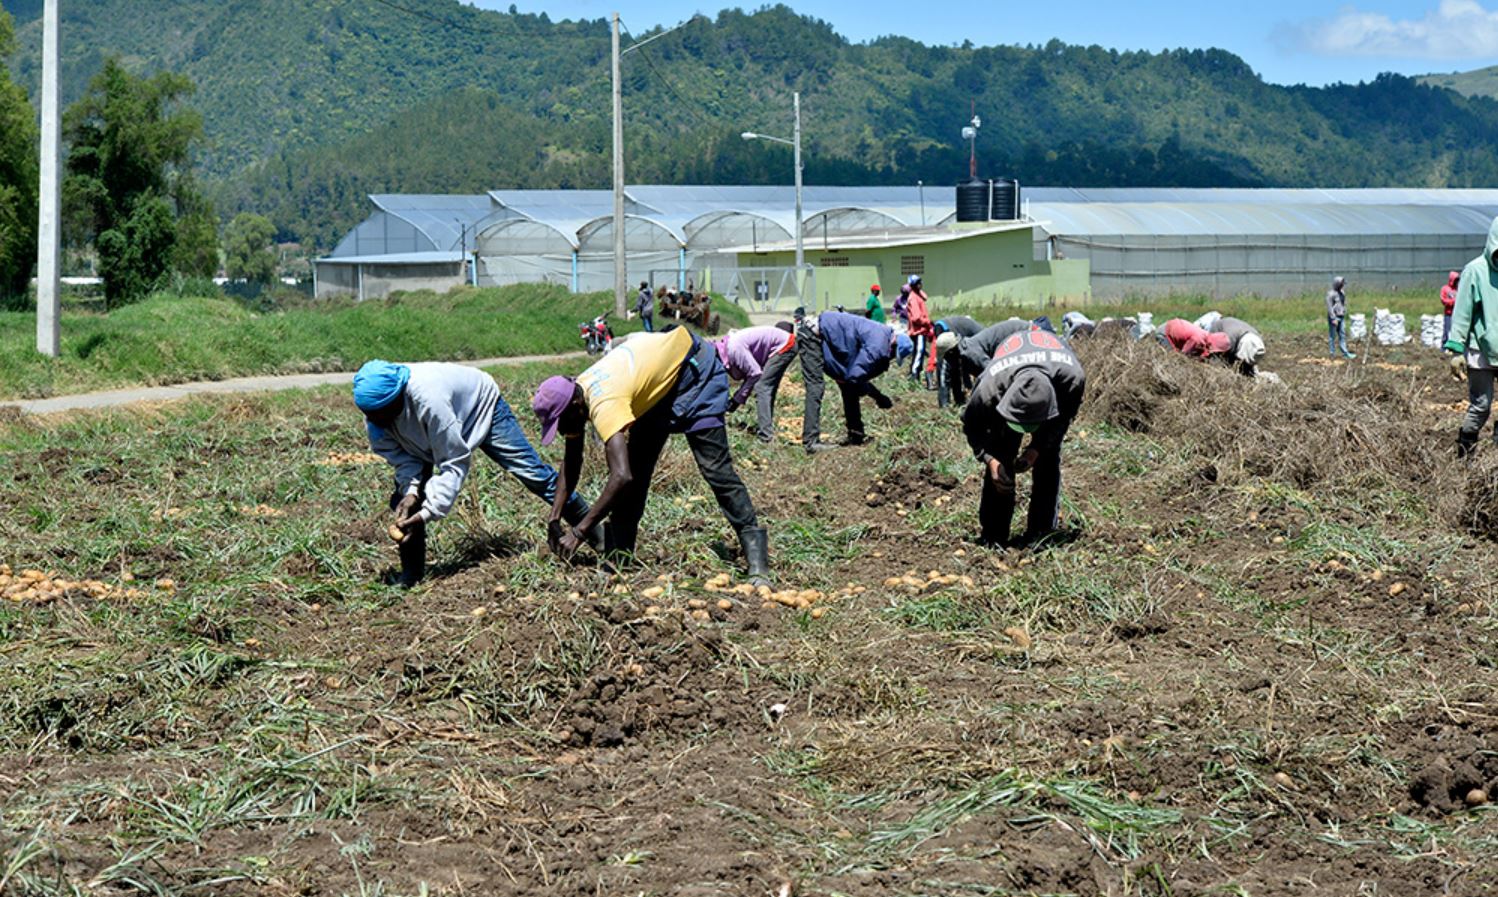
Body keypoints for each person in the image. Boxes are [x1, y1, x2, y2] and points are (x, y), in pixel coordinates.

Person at [531, 327, 768, 579]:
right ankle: (618, 559)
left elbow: (621, 476)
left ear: (575, 406)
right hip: (657, 390)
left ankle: (756, 560)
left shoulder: (604, 404)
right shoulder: (576, 396)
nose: (562, 431)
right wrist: (554, 518)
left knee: (715, 470)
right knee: (637, 473)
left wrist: (579, 532)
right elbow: (572, 462)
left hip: (696, 373)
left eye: (560, 424)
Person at [354, 360, 592, 588]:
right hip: (429, 430)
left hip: (482, 407)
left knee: (532, 474)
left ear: (397, 400)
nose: (375, 422)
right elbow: (404, 460)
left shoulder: (429, 400)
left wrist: (428, 512)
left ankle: (597, 536)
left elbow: (454, 461)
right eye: (371, 416)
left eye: (381, 415)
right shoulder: (377, 417)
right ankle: (411, 573)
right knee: (404, 502)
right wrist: (412, 492)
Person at [962, 328, 1085, 547]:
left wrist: (1036, 449)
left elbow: (1062, 420)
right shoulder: (989, 387)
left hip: (1053, 386)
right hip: (1009, 379)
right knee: (1001, 457)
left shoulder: (1072, 379)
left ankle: (1041, 533)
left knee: (1048, 459)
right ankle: (994, 535)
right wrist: (989, 458)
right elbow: (971, 424)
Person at [798, 310, 896, 452]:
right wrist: (878, 396)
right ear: (893, 346)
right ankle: (811, 441)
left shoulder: (881, 335)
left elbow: (853, 374)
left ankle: (856, 434)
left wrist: (874, 394)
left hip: (829, 337)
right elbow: (855, 375)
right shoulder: (878, 343)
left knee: (848, 385)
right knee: (816, 386)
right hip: (812, 335)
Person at [1444, 218, 1498, 458]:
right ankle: (1465, 458)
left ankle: (1494, 463)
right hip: (1481, 352)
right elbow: (1462, 313)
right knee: (1481, 406)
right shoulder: (1475, 270)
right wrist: (1457, 350)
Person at [712, 323, 796, 442]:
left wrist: (737, 399)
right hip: (785, 343)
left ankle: (766, 436)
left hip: (785, 345)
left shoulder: (734, 349)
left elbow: (755, 374)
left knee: (762, 387)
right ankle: (767, 428)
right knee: (767, 388)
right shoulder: (728, 347)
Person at [930, 315, 983, 408]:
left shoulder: (977, 338)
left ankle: (955, 400)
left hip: (944, 327)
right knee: (948, 366)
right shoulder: (979, 336)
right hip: (948, 331)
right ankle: (948, 403)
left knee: (953, 367)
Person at [905, 275, 935, 386]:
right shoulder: (913, 298)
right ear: (913, 285)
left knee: (920, 353)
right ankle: (914, 376)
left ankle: (915, 373)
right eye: (918, 283)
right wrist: (927, 322)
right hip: (918, 331)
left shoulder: (917, 295)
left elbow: (925, 297)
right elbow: (916, 317)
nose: (920, 284)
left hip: (921, 330)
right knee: (919, 352)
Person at [1160, 318, 1231, 360]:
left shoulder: (1206, 337)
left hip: (1171, 327)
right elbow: (1183, 356)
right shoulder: (1199, 339)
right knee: (1170, 360)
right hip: (1165, 333)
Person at [1327, 276, 1355, 359]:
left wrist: (1344, 311)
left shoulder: (1342, 293)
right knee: (1332, 336)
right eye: (1341, 284)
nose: (1342, 286)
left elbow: (1343, 303)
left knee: (1342, 335)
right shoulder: (1330, 294)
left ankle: (1345, 353)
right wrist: (1333, 318)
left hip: (1341, 317)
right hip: (1334, 318)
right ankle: (1332, 353)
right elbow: (1329, 307)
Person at [1442, 270, 1460, 346]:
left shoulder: (1459, 289)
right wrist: (1453, 301)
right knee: (1447, 331)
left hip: (1457, 314)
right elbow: (1443, 300)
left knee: (1456, 332)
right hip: (1448, 314)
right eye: (1455, 280)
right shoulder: (1445, 289)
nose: (1457, 282)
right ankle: (1444, 347)